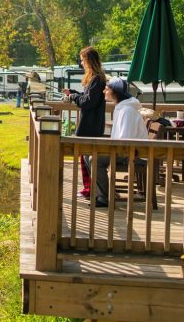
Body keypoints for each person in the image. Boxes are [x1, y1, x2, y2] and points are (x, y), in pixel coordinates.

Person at [93, 76, 148, 207]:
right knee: (87, 155)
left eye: (106, 89)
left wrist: (106, 148)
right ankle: (105, 192)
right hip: (127, 150)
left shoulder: (127, 111)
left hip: (132, 154)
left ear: (114, 92)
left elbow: (125, 140)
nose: (103, 91)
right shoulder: (122, 108)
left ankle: (104, 197)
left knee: (93, 159)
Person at [62, 47, 107, 198]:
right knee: (84, 157)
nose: (81, 63)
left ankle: (90, 189)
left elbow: (87, 102)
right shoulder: (95, 78)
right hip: (90, 123)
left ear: (89, 61)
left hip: (91, 124)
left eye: (82, 60)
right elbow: (87, 96)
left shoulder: (97, 79)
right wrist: (74, 93)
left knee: (86, 157)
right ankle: (88, 188)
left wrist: (74, 98)